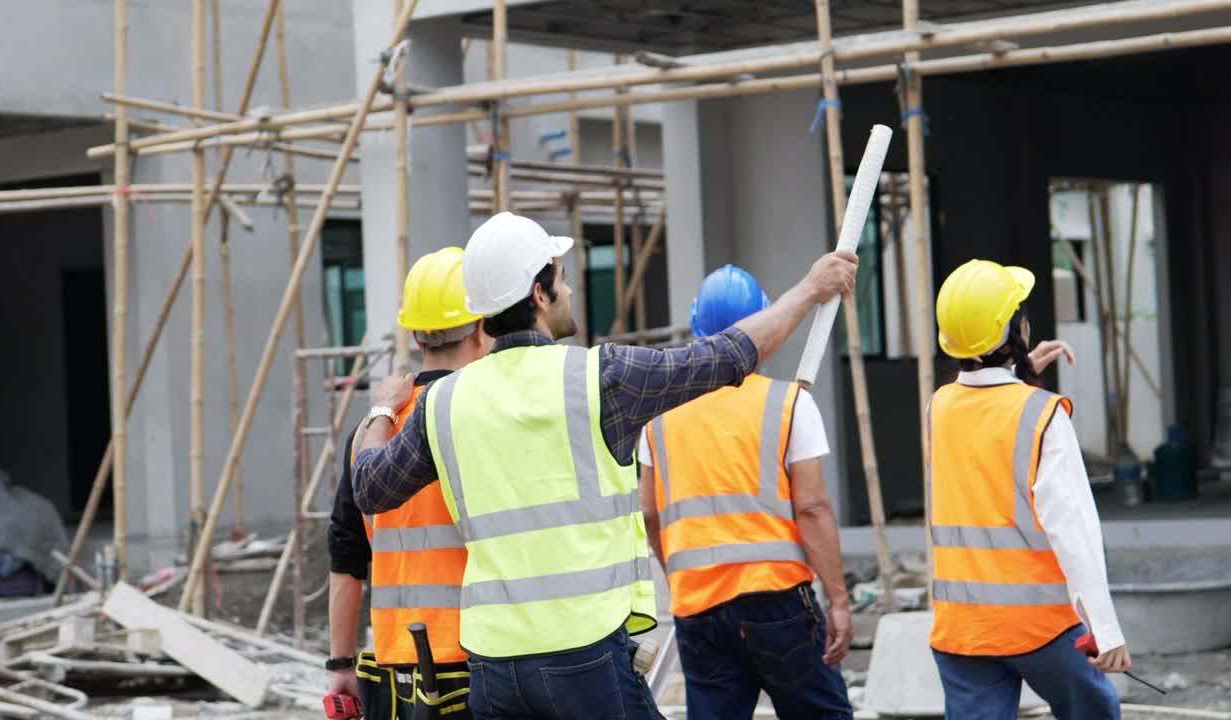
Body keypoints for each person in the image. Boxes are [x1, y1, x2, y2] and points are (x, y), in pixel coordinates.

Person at [352, 211, 859, 720]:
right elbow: (728, 356)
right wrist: (810, 289)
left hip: (493, 665)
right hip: (583, 653)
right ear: (538, 295)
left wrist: (380, 412)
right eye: (562, 278)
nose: (569, 291)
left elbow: (371, 488)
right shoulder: (601, 378)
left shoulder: (442, 403)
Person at [637, 264, 853, 720]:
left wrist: (680, 576)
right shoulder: (790, 402)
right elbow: (812, 508)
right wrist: (838, 599)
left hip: (698, 607)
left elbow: (650, 515)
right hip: (776, 601)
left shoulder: (660, 415)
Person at [928, 258, 1131, 720]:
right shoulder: (1042, 414)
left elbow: (982, 421)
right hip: (1041, 629)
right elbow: (1073, 528)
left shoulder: (937, 408)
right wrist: (1105, 627)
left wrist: (1016, 378)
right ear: (1016, 329)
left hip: (962, 629)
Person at [326, 247, 490, 720]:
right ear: (482, 328)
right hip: (477, 661)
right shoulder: (482, 418)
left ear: (415, 333)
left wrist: (341, 663)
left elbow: (345, 553)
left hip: (395, 672)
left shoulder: (371, 431)